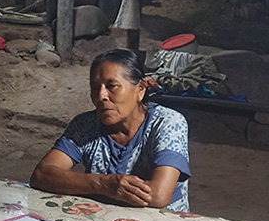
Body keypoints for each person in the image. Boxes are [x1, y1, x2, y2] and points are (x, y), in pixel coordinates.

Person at [30, 49, 191, 212]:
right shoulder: (85, 125)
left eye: (111, 86)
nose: (101, 96)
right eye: (94, 88)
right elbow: (42, 175)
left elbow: (158, 195)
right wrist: (103, 183)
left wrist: (96, 187)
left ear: (141, 89)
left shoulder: (167, 123)